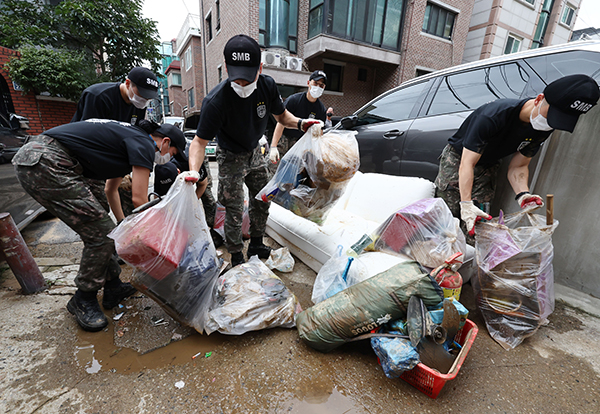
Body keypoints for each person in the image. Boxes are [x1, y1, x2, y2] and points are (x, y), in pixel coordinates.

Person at [12, 119, 187, 332]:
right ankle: (83, 298)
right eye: (174, 153)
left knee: (104, 229)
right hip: (47, 163)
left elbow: (109, 191)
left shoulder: (128, 141)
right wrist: (167, 236)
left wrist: (123, 226)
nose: (170, 159)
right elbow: (140, 200)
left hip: (51, 160)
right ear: (166, 142)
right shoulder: (144, 144)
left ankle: (113, 286)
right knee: (101, 235)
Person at [185, 34, 321, 267]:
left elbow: (281, 116)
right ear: (227, 68)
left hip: (255, 151)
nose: (243, 85)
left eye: (248, 79)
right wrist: (194, 172)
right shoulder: (215, 101)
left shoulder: (267, 86)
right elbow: (198, 142)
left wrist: (300, 123)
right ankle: (237, 253)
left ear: (259, 68)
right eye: (237, 80)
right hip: (230, 156)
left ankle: (256, 243)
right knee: (234, 207)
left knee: (263, 198)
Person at [435, 74, 600, 237]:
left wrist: (523, 194)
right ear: (538, 99)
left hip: (488, 165)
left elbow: (519, 165)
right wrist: (466, 204)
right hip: (458, 160)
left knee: (479, 228)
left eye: (557, 121)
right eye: (551, 116)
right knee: (446, 222)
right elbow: (467, 164)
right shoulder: (493, 115)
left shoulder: (544, 128)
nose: (550, 124)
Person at [269, 70, 328, 166]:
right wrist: (273, 146)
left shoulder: (321, 110)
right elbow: (281, 122)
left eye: (321, 85)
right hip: (284, 137)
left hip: (300, 142)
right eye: (315, 83)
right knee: (274, 167)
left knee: (294, 171)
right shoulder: (294, 100)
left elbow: (318, 134)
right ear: (308, 83)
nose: (318, 87)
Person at [71, 67, 159, 126]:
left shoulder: (139, 105)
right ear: (128, 84)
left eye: (149, 97)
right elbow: (88, 133)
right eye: (142, 94)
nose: (145, 100)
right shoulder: (98, 96)